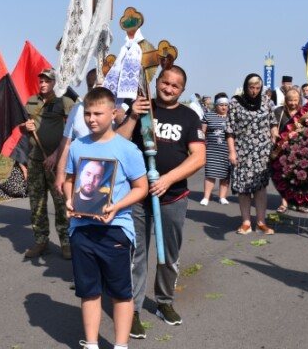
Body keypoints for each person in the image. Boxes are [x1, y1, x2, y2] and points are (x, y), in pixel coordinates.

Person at [117, 65, 206, 332]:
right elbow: (117, 143)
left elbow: (198, 157)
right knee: (136, 254)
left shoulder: (189, 117)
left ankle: (164, 301)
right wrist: (133, 115)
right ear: (157, 82)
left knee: (168, 253)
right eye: (165, 83)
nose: (168, 89)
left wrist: (168, 179)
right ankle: (131, 309)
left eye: (175, 86)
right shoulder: (141, 108)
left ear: (182, 89)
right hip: (138, 195)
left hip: (173, 197)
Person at [64, 87, 148, 349]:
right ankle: (91, 344)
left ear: (113, 113)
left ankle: (120, 345)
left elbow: (141, 187)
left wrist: (116, 206)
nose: (91, 119)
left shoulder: (128, 149)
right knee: (89, 292)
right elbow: (70, 180)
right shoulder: (78, 146)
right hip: (82, 230)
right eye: (87, 113)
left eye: (98, 113)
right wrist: (69, 199)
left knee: (121, 293)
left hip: (116, 230)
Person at [20, 68, 75, 259]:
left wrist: (56, 155)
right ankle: (41, 241)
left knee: (61, 203)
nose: (43, 84)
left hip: (57, 161)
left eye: (47, 81)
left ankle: (66, 242)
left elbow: (73, 132)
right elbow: (21, 129)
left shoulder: (65, 102)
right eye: (41, 81)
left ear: (55, 83)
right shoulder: (31, 102)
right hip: (35, 159)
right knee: (37, 203)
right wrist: (24, 127)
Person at [226, 73, 277, 235]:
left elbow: (273, 123)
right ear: (245, 87)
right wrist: (232, 151)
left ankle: (261, 222)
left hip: (262, 151)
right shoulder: (235, 102)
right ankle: (246, 222)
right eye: (251, 87)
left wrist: (275, 135)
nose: (254, 91)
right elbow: (229, 129)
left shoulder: (267, 102)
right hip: (242, 151)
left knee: (260, 188)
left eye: (257, 88)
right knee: (243, 188)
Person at [272, 89, 308, 214]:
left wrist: (302, 128)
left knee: (300, 176)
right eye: (290, 100)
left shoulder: (304, 111)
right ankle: (284, 203)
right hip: (283, 149)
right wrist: (275, 134)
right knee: (284, 176)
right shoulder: (279, 111)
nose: (292, 103)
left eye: (295, 100)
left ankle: (300, 203)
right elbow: (273, 127)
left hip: (301, 148)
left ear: (299, 100)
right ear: (285, 100)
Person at [200, 92, 231, 206]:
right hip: (211, 149)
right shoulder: (208, 115)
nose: (223, 107)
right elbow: (202, 131)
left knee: (225, 174)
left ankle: (222, 197)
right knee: (210, 173)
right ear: (216, 105)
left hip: (227, 149)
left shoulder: (232, 117)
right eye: (221, 105)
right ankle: (206, 197)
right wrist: (202, 144)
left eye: (225, 105)